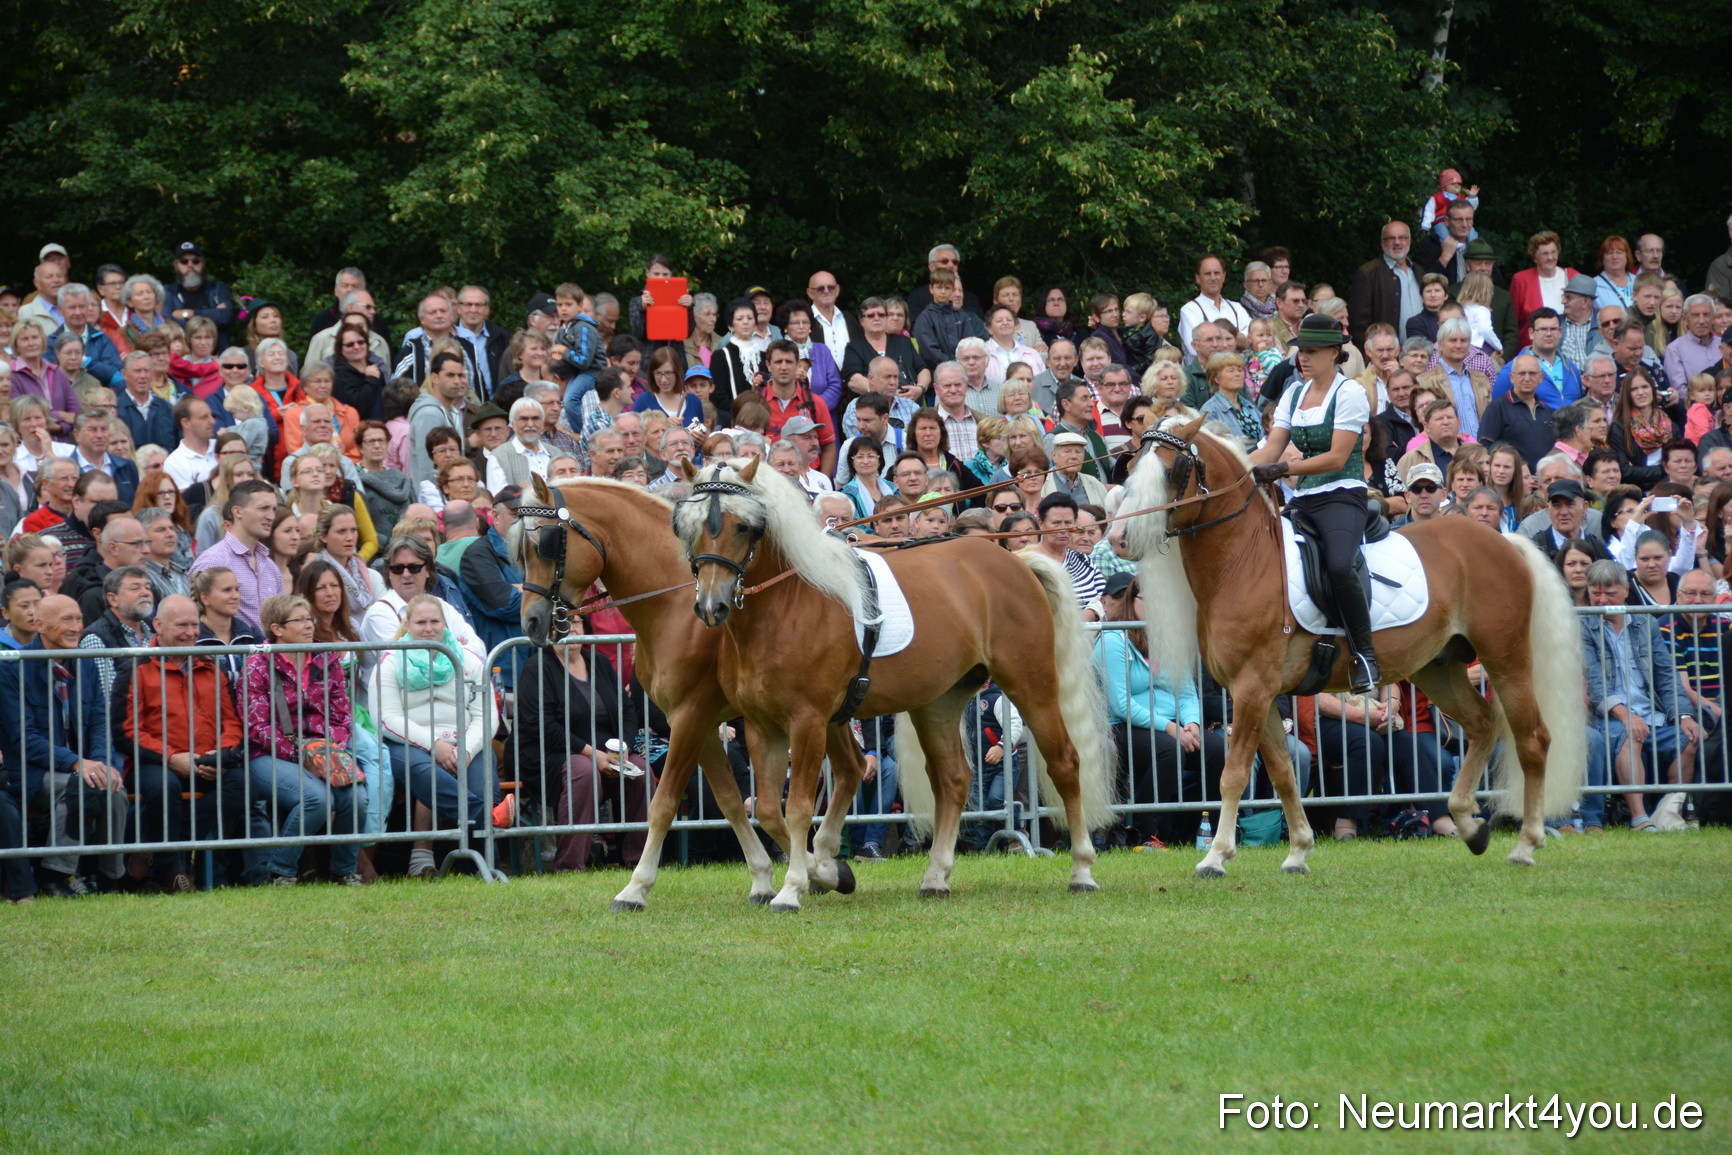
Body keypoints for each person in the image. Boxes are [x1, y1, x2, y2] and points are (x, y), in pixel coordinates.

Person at [1249, 314, 1379, 690]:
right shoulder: (1293, 393)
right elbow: (1270, 449)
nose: (1302, 358)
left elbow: (1337, 457)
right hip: (1303, 499)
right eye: (1300, 351)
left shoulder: (1350, 393)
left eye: (1311, 351)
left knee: (1339, 566)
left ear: (1334, 353)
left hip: (1343, 495)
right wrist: (1234, 465)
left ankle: (1365, 655)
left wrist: (1285, 467)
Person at [114, 593, 249, 894]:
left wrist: (220, 756)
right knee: (165, 787)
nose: (190, 633)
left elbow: (232, 723)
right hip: (152, 762)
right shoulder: (135, 667)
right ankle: (171, 869)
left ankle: (157, 844)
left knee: (243, 784)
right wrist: (171, 757)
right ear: (158, 625)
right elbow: (125, 731)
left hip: (205, 761)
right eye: (181, 626)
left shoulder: (213, 667)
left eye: (194, 625)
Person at [0, 593, 128, 896]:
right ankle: (54, 876)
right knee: (79, 787)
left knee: (114, 790)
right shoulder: (13, 667)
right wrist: (75, 763)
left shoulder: (85, 663)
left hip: (79, 766)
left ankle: (110, 878)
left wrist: (100, 763)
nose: (75, 627)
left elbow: (99, 722)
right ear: (40, 624)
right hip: (30, 771)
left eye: (79, 619)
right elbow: (23, 738)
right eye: (66, 620)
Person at [242, 593, 363, 885]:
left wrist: (325, 751)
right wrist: (302, 755)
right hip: (267, 754)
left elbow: (342, 715)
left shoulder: (327, 658)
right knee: (316, 799)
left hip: (322, 749)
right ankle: (280, 872)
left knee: (357, 798)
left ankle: (343, 872)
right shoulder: (258, 664)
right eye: (299, 620)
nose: (309, 625)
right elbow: (256, 726)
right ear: (277, 629)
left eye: (309, 619)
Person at [1095, 577, 1224, 849]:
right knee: (1169, 750)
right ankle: (1144, 835)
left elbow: (1187, 692)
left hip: (1172, 725)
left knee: (1216, 749)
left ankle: (1206, 831)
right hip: (1122, 725)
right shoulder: (1112, 640)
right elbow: (1120, 704)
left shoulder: (1168, 640)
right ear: (1132, 601)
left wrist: (1192, 723)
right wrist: (1171, 728)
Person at [1581, 560, 1698, 832]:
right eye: (1595, 593)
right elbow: (1595, 682)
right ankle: (1639, 818)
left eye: (1610, 593)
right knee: (1630, 733)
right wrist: (1626, 715)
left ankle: (1668, 812)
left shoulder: (1645, 623)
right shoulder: (1582, 625)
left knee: (1689, 737)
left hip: (1652, 714)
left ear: (1625, 591)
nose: (1601, 600)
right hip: (1608, 718)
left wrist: (1684, 716)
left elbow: (1666, 674)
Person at [188, 479, 282, 627]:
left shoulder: (270, 566)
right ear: (237, 512)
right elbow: (197, 619)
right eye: (263, 508)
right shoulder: (213, 561)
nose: (271, 516)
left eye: (274, 509)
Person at [1348, 221, 1421, 349]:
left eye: (1402, 238)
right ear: (1382, 243)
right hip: (1387, 354)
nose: (1397, 242)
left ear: (1409, 241)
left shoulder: (1419, 271)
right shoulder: (1368, 273)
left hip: (1423, 352)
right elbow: (1358, 324)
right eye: (1391, 238)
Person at [1478, 355, 1556, 468]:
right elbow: (1485, 448)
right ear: (1511, 377)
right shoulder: (1497, 408)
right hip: (1512, 477)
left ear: (1541, 378)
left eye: (1532, 373)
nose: (1527, 378)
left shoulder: (1547, 411)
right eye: (1521, 373)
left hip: (1543, 477)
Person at [1509, 231, 1577, 350]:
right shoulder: (1521, 280)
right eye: (1545, 254)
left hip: (1569, 348)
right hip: (1532, 350)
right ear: (1534, 257)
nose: (1550, 257)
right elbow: (1512, 323)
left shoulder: (1572, 276)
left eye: (1553, 252)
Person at [1034, 492, 1104, 604]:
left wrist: (1092, 611)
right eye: (1056, 523)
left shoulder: (1084, 561)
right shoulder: (1029, 561)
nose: (1063, 529)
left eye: (1068, 523)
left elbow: (1105, 599)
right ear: (1040, 523)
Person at [162, 242, 236, 345]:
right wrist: (213, 315)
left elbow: (226, 316)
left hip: (220, 353)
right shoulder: (167, 292)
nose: (190, 265)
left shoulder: (217, 288)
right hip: (183, 352)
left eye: (195, 261)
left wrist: (189, 314)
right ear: (176, 266)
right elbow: (166, 322)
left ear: (203, 264)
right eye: (184, 261)